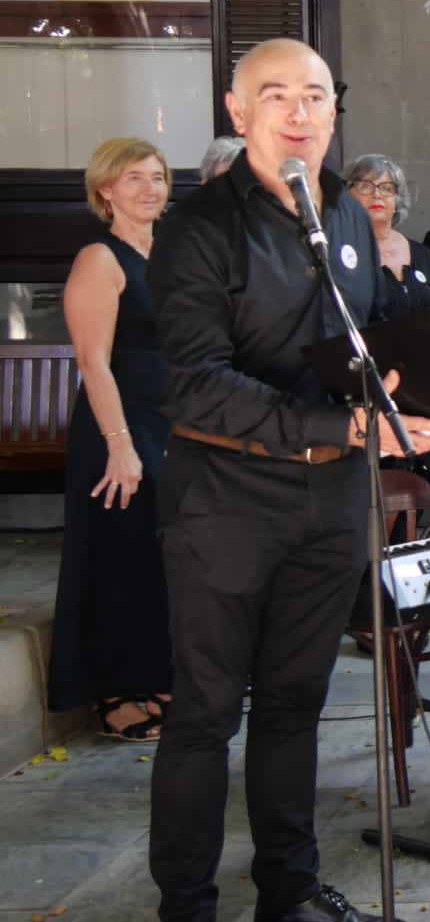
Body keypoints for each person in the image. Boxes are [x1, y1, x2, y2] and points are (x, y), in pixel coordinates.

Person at [147, 37, 430, 922]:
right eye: (274, 95)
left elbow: (353, 351)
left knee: (295, 704)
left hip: (329, 499)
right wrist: (340, 424)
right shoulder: (199, 228)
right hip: (226, 503)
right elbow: (197, 382)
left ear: (332, 111)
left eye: (315, 96)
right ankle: (187, 907)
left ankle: (287, 892)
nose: (298, 113)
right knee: (206, 713)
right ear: (239, 112)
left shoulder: (346, 219)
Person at [49, 137, 172, 743]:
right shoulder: (100, 257)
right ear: (106, 190)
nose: (150, 189)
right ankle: (117, 690)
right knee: (119, 557)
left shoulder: (169, 253)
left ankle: (161, 673)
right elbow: (94, 363)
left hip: (172, 423)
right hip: (117, 425)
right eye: (134, 179)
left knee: (161, 558)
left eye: (157, 177)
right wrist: (120, 445)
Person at [345, 156, 430, 321]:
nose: (376, 194)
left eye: (386, 188)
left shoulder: (422, 253)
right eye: (365, 186)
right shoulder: (343, 253)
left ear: (398, 199)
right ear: (349, 196)